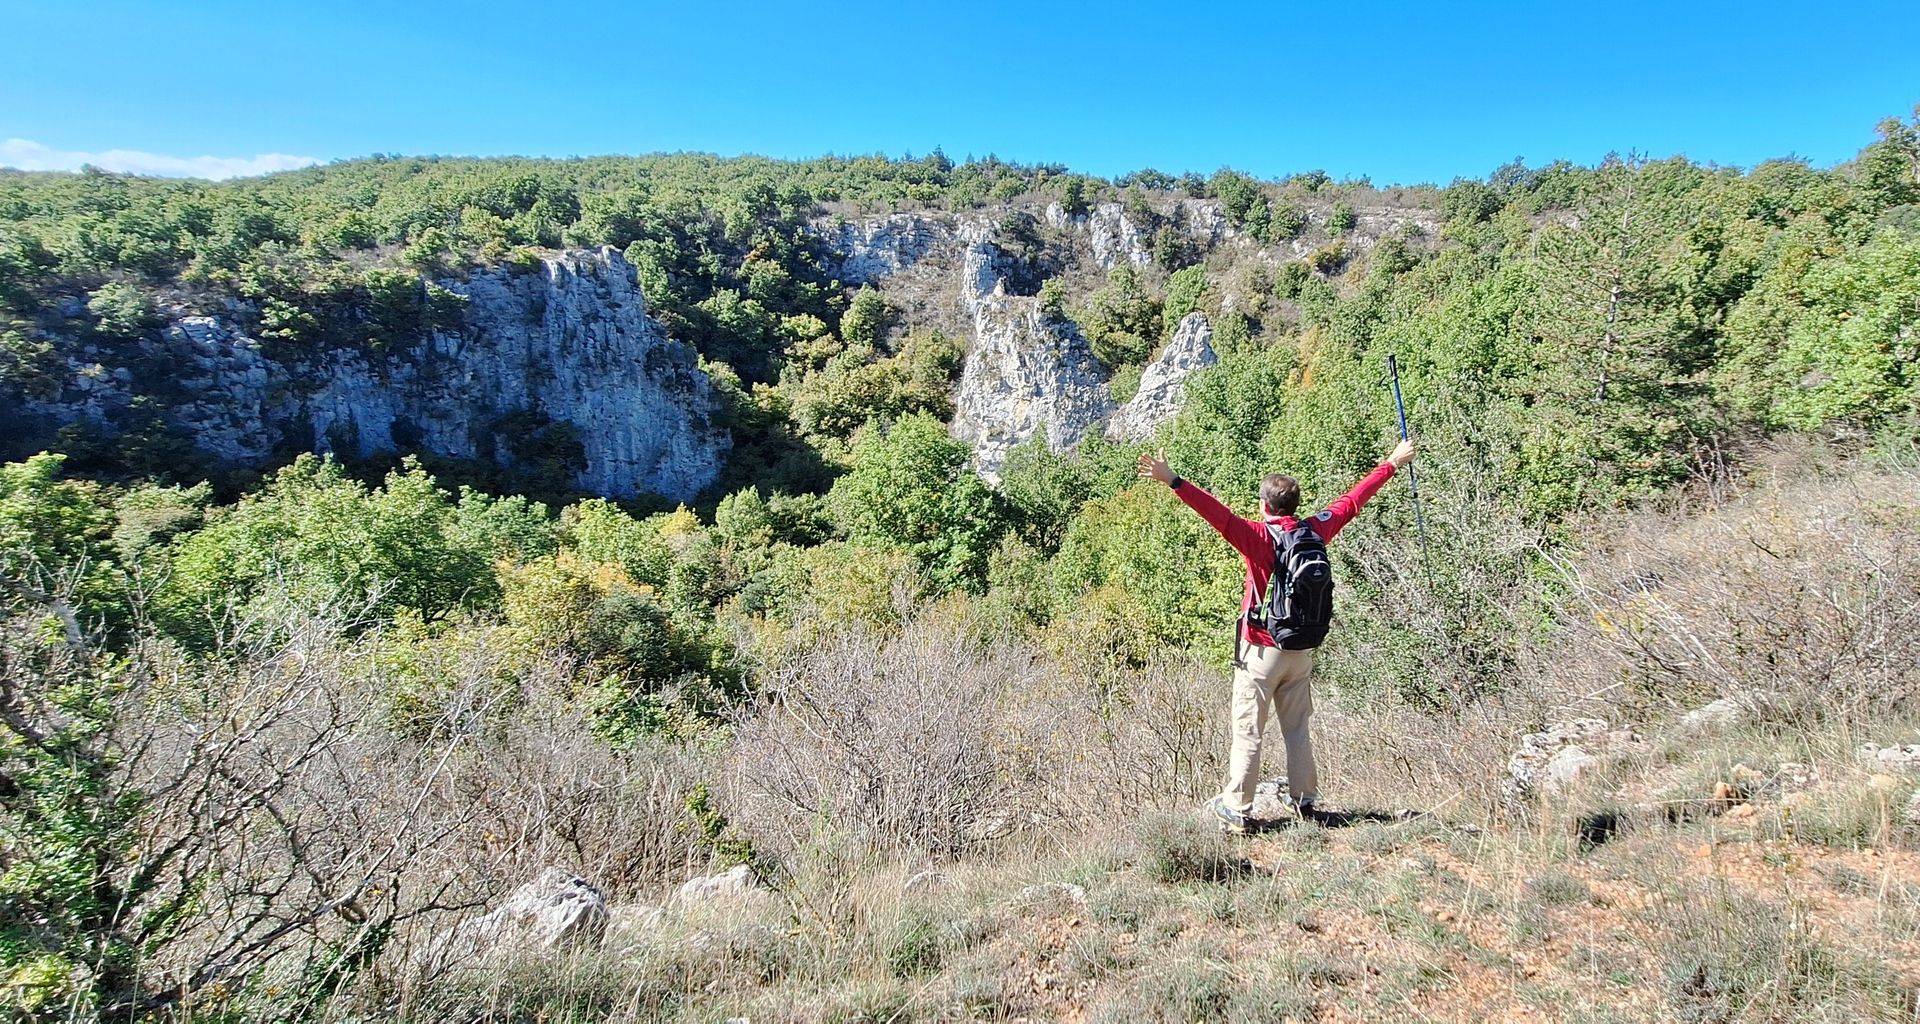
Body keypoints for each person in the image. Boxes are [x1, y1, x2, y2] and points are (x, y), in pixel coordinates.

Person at [1136, 439, 1415, 833]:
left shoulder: (1258, 537)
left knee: (1248, 729)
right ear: (1294, 506)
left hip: (1261, 651)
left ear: (1264, 506)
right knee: (1297, 728)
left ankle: (1237, 808)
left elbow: (1217, 514)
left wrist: (1174, 481)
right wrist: (1391, 463)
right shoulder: (1313, 530)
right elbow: (1351, 502)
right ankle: (1305, 800)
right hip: (1302, 649)